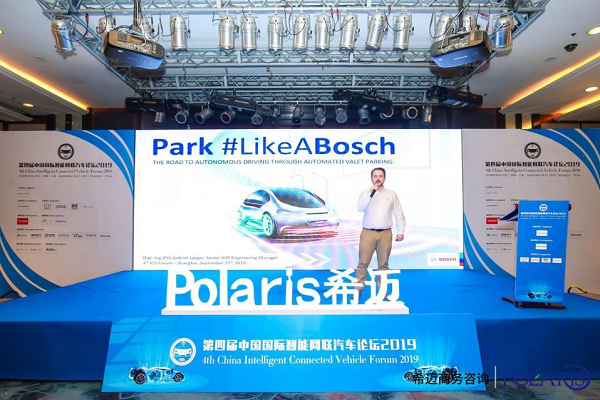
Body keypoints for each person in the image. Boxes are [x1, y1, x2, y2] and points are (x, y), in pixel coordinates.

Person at [355, 167, 406, 295]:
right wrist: (371, 193)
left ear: (384, 178)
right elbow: (360, 208)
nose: (378, 179)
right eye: (375, 176)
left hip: (385, 233)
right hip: (368, 233)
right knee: (363, 262)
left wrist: (401, 231)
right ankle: (358, 290)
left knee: (383, 264)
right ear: (371, 178)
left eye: (380, 176)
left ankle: (383, 293)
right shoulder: (365, 193)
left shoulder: (391, 194)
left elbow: (398, 213)